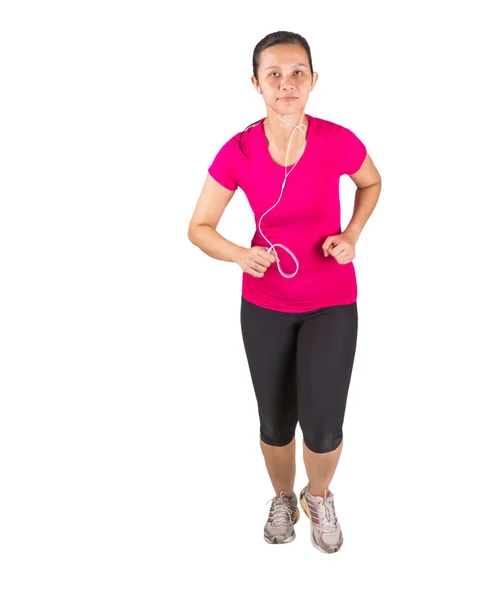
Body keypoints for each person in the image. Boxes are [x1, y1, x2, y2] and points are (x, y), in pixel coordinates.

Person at [187, 30, 381, 554]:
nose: (286, 83)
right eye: (273, 74)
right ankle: (281, 497)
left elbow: (371, 182)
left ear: (314, 80)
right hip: (265, 305)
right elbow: (199, 226)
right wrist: (239, 255)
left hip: (332, 304)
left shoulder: (338, 139)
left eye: (298, 72)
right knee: (275, 422)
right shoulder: (239, 150)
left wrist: (352, 234)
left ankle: (318, 496)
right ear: (256, 83)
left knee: (323, 425)